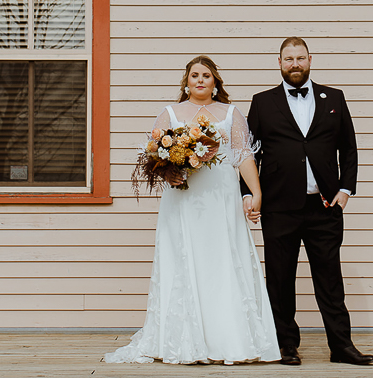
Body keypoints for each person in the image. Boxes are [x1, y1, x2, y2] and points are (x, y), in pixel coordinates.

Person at [105, 55, 280, 366]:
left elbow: (242, 156)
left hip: (222, 200)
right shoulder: (170, 114)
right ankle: (184, 339)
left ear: (215, 83)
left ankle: (228, 338)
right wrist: (166, 172)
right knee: (184, 259)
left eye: (207, 76)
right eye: (195, 75)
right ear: (186, 82)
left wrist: (256, 192)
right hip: (183, 201)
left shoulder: (231, 114)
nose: (200, 80)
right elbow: (153, 156)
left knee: (223, 261)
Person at [242, 37, 373, 367]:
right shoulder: (262, 102)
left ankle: (342, 346)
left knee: (330, 279)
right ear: (279, 62)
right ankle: (286, 345)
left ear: (310, 59)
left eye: (300, 57)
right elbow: (247, 153)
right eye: (288, 59)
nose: (295, 64)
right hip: (278, 206)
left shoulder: (334, 97)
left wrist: (346, 191)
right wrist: (248, 195)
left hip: (325, 206)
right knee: (280, 279)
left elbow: (348, 148)